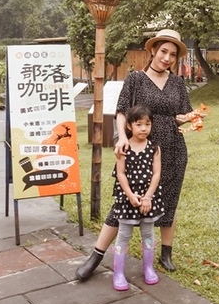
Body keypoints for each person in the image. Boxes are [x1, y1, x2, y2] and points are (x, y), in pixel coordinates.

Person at [77, 29, 197, 281]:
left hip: (173, 148)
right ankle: (96, 256)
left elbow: (182, 114)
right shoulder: (135, 79)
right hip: (139, 149)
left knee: (169, 200)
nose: (167, 58)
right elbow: (121, 112)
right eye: (163, 51)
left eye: (173, 54)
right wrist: (122, 137)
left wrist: (190, 119)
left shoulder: (177, 83)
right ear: (153, 50)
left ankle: (165, 253)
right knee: (124, 201)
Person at [109, 105, 163, 290]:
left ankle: (148, 268)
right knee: (124, 234)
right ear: (129, 126)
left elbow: (156, 174)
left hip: (149, 198)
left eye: (147, 124)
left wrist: (148, 197)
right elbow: (121, 173)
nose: (144, 128)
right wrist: (131, 196)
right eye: (138, 124)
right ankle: (118, 273)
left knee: (148, 233)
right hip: (127, 198)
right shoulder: (123, 147)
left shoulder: (154, 147)